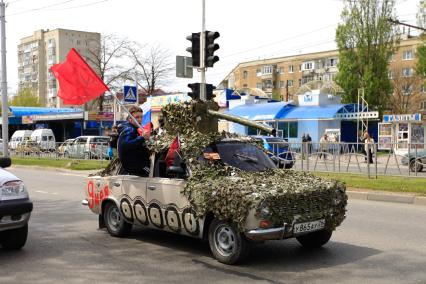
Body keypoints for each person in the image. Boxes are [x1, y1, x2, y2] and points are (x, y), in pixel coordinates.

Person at [117, 106, 151, 176]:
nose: (140, 119)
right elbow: (126, 145)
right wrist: (142, 138)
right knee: (153, 172)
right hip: (136, 167)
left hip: (134, 166)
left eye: (141, 117)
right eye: (137, 117)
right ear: (130, 119)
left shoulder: (132, 128)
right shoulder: (129, 129)